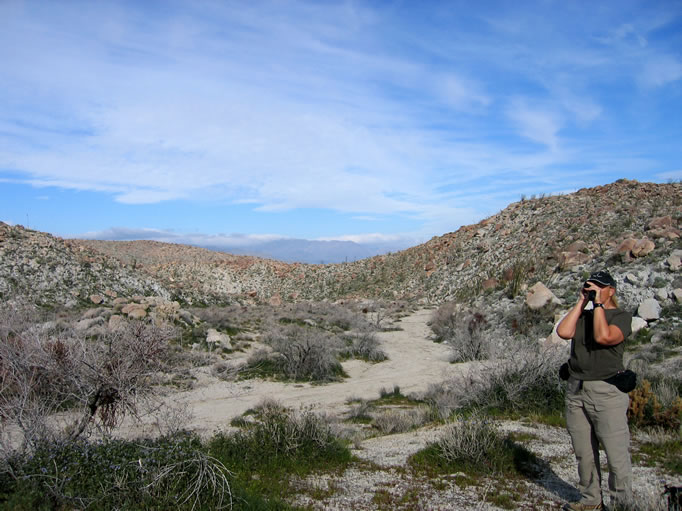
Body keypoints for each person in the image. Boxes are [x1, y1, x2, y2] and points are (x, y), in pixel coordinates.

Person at [556, 269, 633, 511]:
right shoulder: (583, 316)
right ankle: (591, 501)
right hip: (577, 389)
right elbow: (563, 332)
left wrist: (598, 305)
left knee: (616, 455)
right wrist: (581, 301)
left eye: (599, 286)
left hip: (606, 393)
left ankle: (621, 505)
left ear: (611, 290)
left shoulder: (620, 316)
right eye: (590, 286)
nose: (593, 290)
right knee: (584, 453)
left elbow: (603, 337)